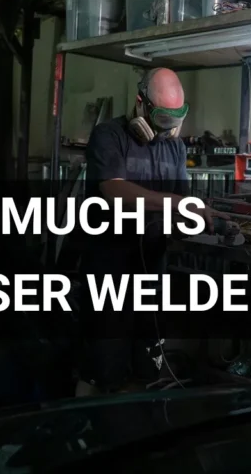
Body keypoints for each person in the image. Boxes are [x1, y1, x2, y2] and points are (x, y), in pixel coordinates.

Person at [76, 67, 223, 396]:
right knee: (102, 368)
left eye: (175, 119)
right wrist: (174, 203)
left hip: (151, 271)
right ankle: (85, 432)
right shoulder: (109, 136)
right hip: (109, 271)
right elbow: (113, 190)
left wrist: (198, 219)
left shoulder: (176, 148)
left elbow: (181, 205)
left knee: (149, 365)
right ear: (140, 103)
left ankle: (138, 431)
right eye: (161, 119)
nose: (167, 129)